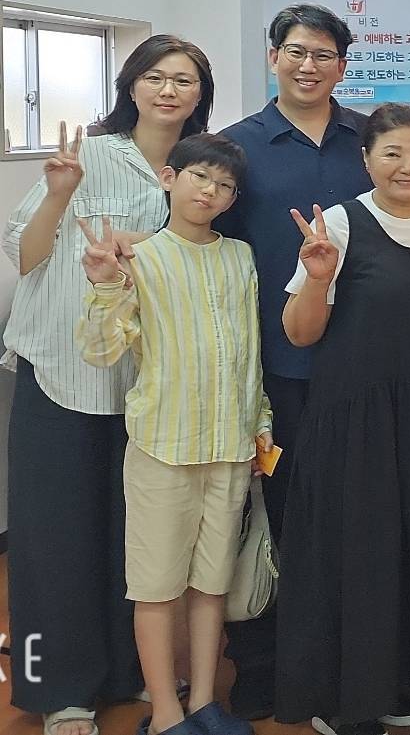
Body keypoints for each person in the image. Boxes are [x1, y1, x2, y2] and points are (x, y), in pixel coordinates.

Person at [4, 34, 215, 735]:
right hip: (60, 371)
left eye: (183, 79)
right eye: (154, 76)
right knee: (55, 537)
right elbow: (26, 256)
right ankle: (60, 689)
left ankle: (131, 671)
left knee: (138, 537)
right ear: (130, 85)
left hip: (147, 382)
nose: (168, 90)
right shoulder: (89, 155)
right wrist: (59, 195)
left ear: (200, 94)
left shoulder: (199, 168)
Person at [276, 104, 410, 735]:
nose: (409, 166)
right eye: (393, 153)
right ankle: (345, 697)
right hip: (357, 421)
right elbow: (298, 333)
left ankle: (408, 681)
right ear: (366, 159)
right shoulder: (341, 224)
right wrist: (317, 278)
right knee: (360, 555)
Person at [77, 134, 272, 735]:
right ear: (169, 178)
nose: (209, 191)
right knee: (157, 588)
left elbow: (250, 352)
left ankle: (204, 703)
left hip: (231, 447)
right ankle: (165, 713)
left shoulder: (240, 257)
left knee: (212, 585)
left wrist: (260, 426)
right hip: (163, 446)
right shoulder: (140, 258)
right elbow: (100, 351)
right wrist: (104, 284)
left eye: (224, 185)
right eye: (199, 177)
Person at [217, 5, 374, 720]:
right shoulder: (236, 148)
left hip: (362, 363)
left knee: (351, 518)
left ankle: (347, 664)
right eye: (296, 51)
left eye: (323, 55)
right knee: (273, 515)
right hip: (274, 367)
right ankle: (263, 664)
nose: (308, 66)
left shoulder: (370, 139)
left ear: (342, 65)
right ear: (273, 56)